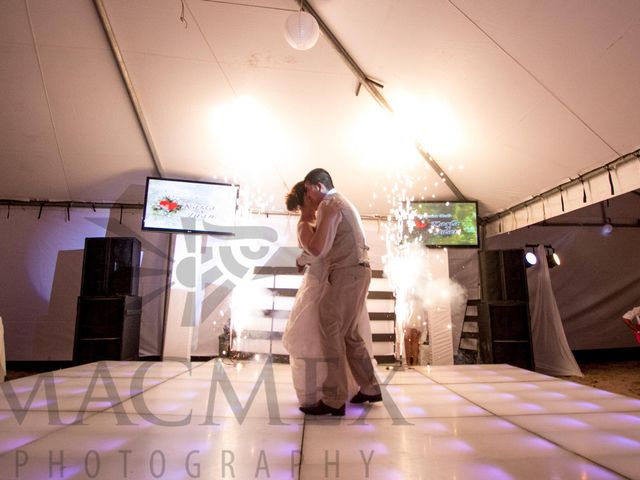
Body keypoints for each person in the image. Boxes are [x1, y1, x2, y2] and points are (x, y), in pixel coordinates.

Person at [297, 168, 382, 416]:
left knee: (330, 328)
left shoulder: (329, 204)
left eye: (307, 190)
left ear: (316, 186)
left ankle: (334, 399)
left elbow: (320, 248)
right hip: (359, 271)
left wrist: (303, 259)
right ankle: (370, 387)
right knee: (350, 333)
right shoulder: (344, 202)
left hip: (346, 273)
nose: (308, 196)